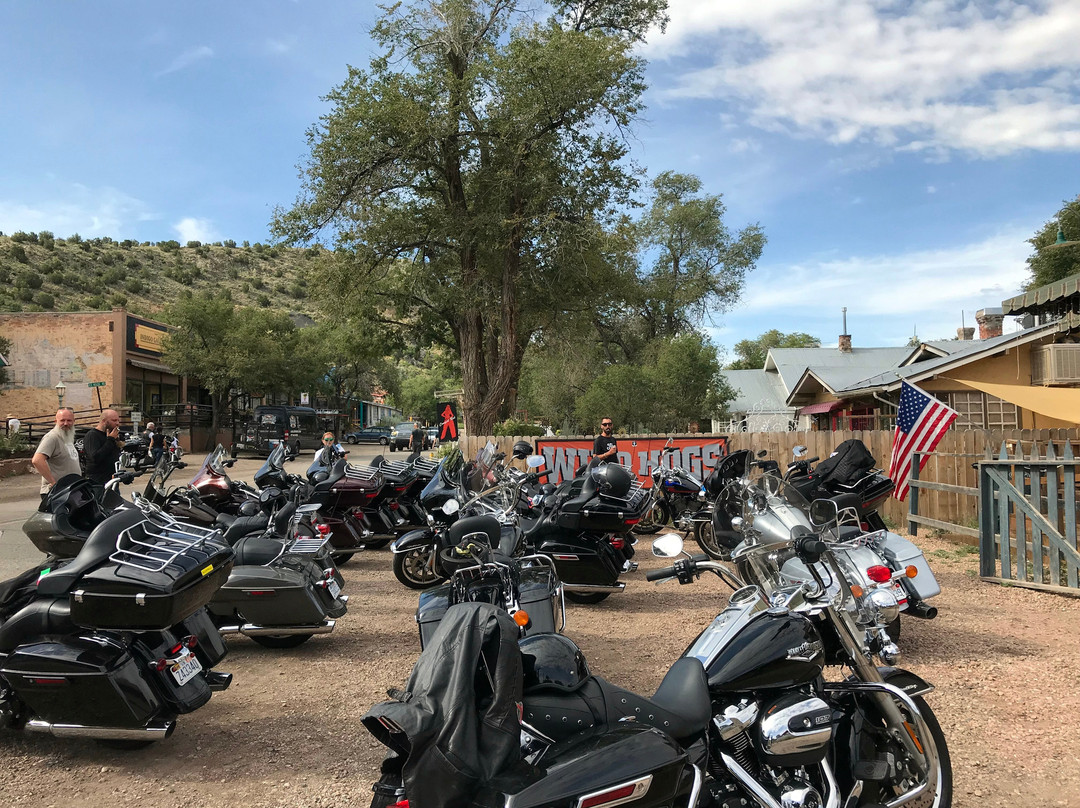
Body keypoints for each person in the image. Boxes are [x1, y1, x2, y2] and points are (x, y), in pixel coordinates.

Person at [31, 407, 82, 506]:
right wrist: (54, 483)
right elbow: (37, 460)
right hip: (57, 493)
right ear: (56, 421)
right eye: (62, 420)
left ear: (74, 421)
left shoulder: (68, 437)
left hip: (71, 491)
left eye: (69, 420)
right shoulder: (52, 437)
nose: (66, 423)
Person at [82, 408, 124, 501]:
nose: (117, 423)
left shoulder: (112, 436)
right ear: (104, 421)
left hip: (112, 481)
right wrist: (110, 440)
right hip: (98, 483)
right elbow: (95, 457)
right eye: (114, 420)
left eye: (118, 420)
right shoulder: (92, 435)